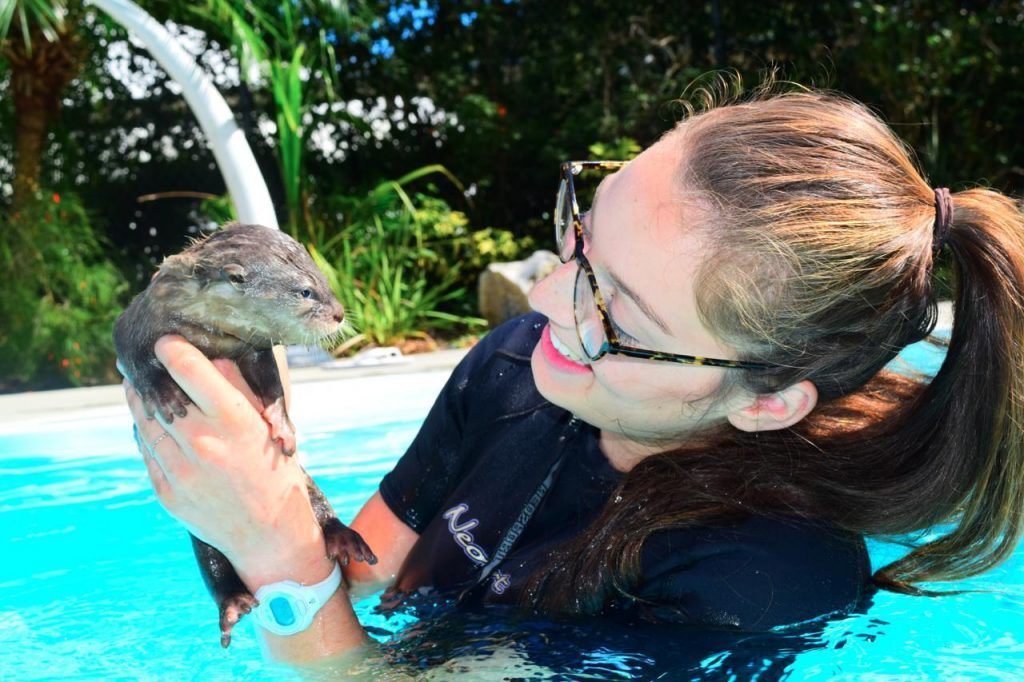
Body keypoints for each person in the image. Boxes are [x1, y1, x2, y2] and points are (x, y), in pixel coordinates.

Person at [123, 85, 1024, 667]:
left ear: (767, 400)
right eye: (583, 234)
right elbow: (364, 585)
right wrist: (265, 505)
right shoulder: (519, 369)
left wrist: (276, 552)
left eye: (620, 309)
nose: (551, 297)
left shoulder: (761, 576)